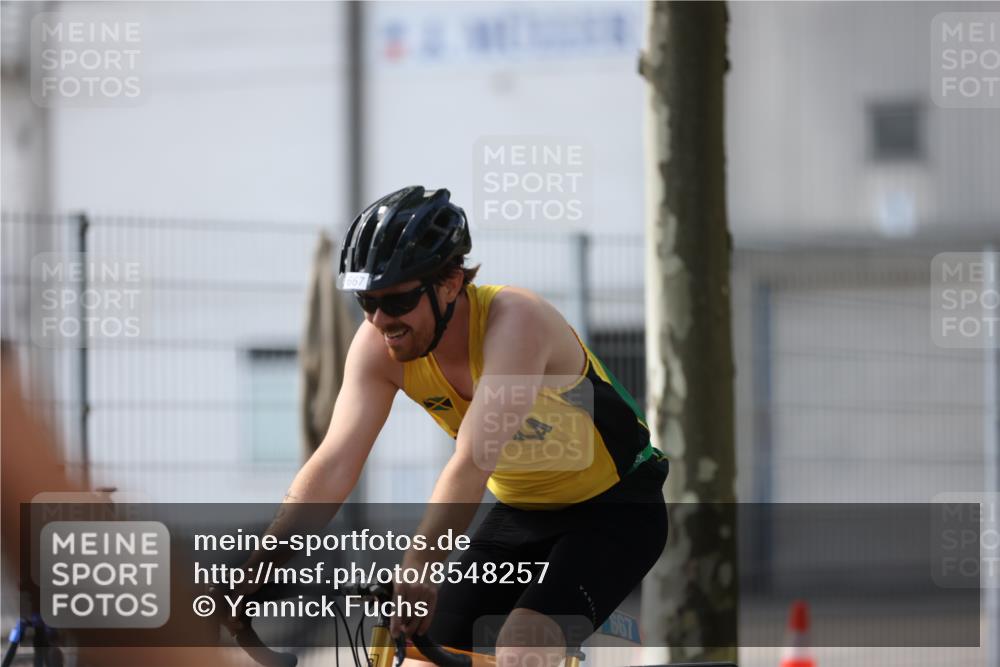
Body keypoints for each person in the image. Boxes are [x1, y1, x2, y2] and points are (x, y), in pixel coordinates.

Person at [240, 186, 668, 666]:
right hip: (521, 512)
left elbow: (472, 459)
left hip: (614, 509)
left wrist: (420, 565)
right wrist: (258, 569)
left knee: (521, 646)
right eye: (367, 300)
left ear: (449, 282)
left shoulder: (515, 322)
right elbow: (335, 463)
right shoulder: (378, 344)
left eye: (398, 299)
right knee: (427, 656)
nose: (381, 319)